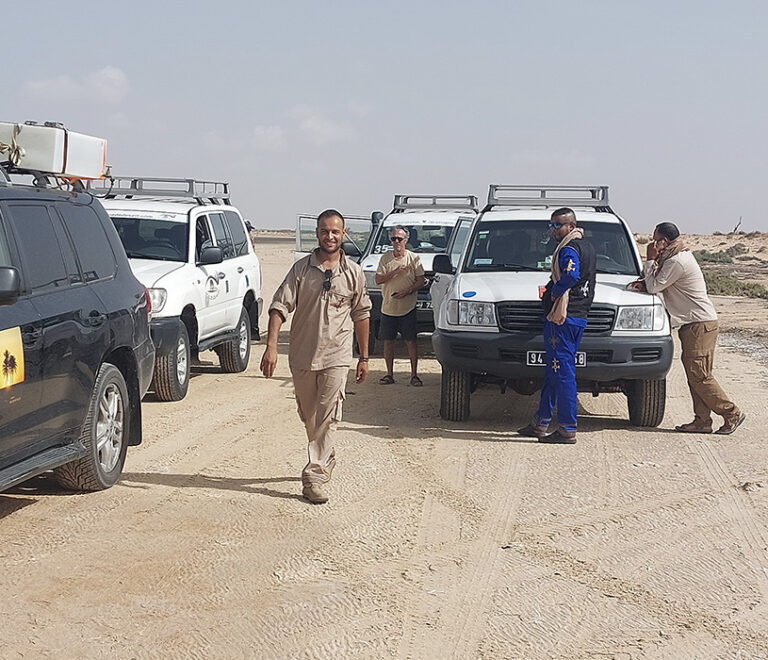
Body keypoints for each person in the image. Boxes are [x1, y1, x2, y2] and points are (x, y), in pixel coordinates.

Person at [260, 209, 372, 504]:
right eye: (325, 231)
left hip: (337, 355)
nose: (330, 236)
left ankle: (314, 474)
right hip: (302, 355)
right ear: (317, 233)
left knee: (327, 415)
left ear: (343, 234)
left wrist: (364, 358)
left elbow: (362, 315)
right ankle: (326, 453)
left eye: (335, 231)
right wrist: (271, 346)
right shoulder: (301, 270)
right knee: (309, 415)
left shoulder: (354, 273)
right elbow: (278, 307)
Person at [629, 222, 745, 434]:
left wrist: (650, 259)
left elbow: (655, 286)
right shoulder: (673, 258)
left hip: (699, 323)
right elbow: (657, 283)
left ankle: (731, 413)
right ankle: (702, 420)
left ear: (664, 240)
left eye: (656, 240)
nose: (654, 244)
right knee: (695, 374)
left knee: (700, 375)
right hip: (691, 324)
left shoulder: (677, 261)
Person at [518, 208, 596, 444]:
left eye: (557, 225)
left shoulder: (569, 249)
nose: (553, 230)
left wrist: (556, 292)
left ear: (570, 226)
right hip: (577, 316)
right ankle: (540, 422)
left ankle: (567, 428)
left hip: (563, 317)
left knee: (563, 373)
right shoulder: (588, 247)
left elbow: (571, 276)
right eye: (551, 225)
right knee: (553, 371)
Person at [374, 225, 426, 386]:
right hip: (388, 308)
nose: (396, 242)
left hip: (407, 308)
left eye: (399, 239)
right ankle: (389, 374)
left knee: (411, 341)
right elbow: (378, 279)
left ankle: (414, 375)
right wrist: (395, 271)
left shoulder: (413, 258)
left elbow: (421, 280)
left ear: (406, 240)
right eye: (393, 238)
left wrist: (408, 291)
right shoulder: (385, 258)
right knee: (388, 342)